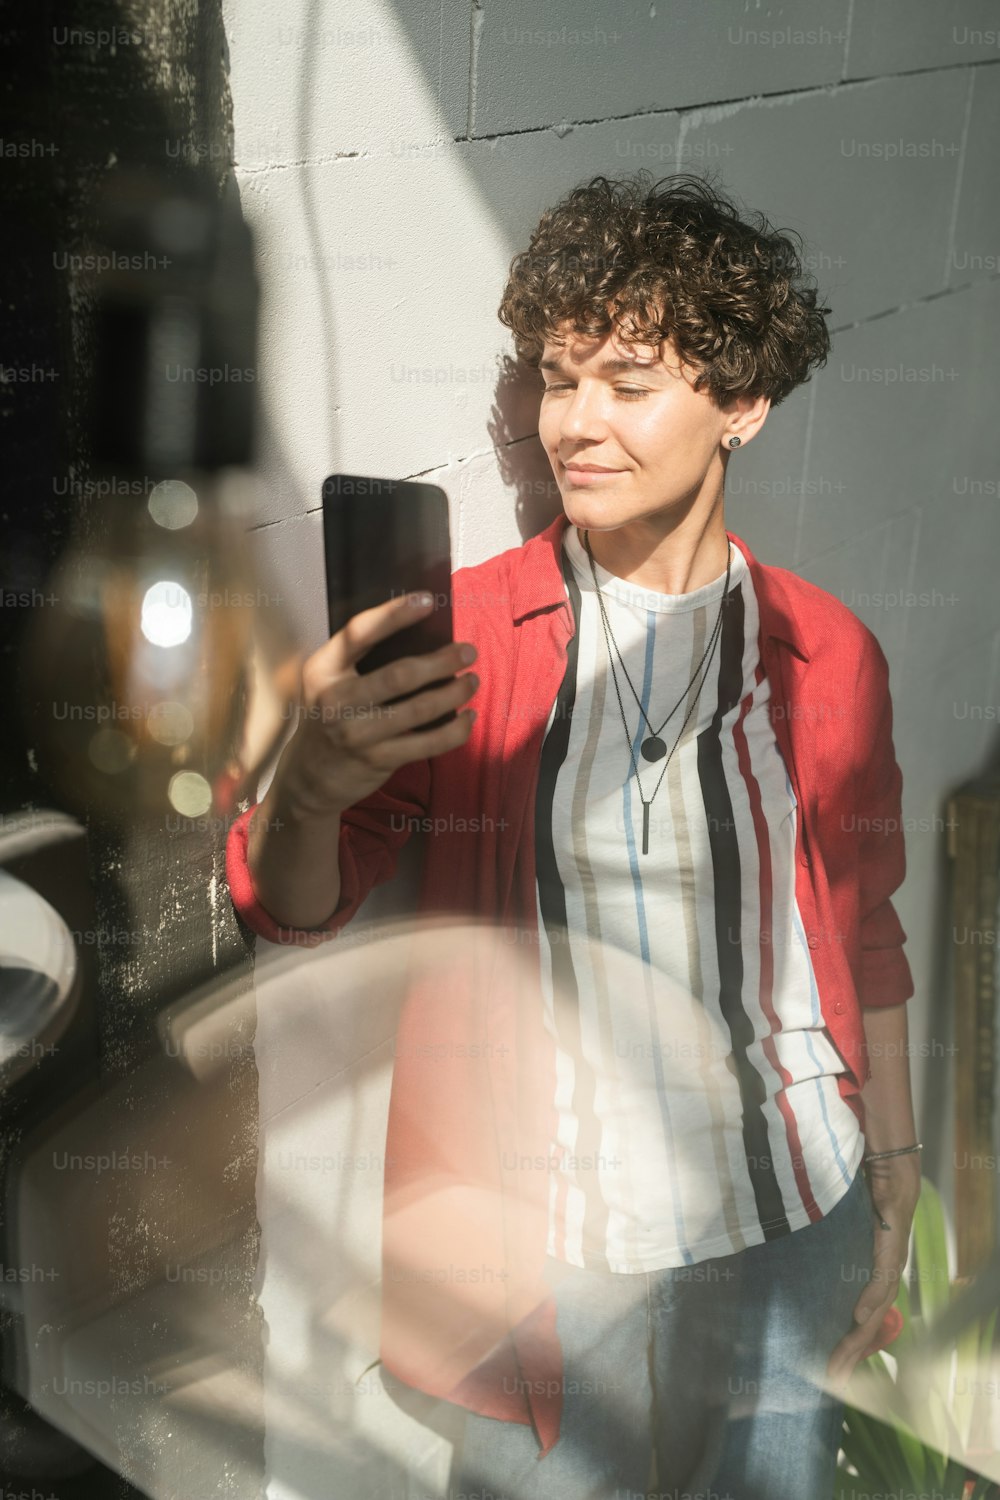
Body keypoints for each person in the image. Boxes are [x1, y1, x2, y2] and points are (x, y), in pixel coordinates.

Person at [225, 172, 921, 1499]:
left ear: (743, 405)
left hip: (789, 1221)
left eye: (627, 381)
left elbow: (867, 930)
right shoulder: (471, 629)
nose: (575, 424)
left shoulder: (827, 652)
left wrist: (893, 1172)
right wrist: (308, 786)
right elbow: (290, 906)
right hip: (544, 1263)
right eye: (557, 380)